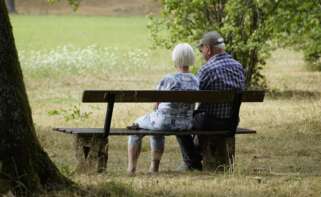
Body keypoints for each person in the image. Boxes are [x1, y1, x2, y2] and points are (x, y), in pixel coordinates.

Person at [176, 31, 245, 171]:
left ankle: (192, 161)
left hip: (210, 121)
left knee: (179, 122)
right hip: (231, 122)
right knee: (195, 119)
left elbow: (191, 95)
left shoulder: (207, 69)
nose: (202, 53)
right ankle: (197, 156)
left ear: (208, 49)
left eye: (202, 49)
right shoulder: (238, 66)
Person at [127, 43, 199, 175]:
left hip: (164, 123)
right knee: (156, 128)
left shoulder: (169, 79)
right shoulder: (196, 80)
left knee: (136, 127)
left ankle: (131, 168)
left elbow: (156, 104)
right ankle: (154, 168)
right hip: (185, 125)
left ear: (175, 59)